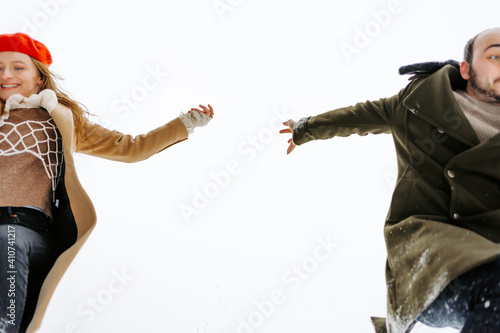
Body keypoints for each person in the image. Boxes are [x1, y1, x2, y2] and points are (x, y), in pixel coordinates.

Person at [281, 27, 500, 333]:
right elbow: (358, 116)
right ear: (466, 69)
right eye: (495, 55)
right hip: (429, 254)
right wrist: (304, 129)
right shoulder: (417, 104)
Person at [0, 32, 214, 333]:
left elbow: (130, 147)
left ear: (39, 77)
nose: (6, 75)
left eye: (17, 67)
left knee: (7, 240)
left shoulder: (58, 118)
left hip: (25, 228)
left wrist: (185, 124)